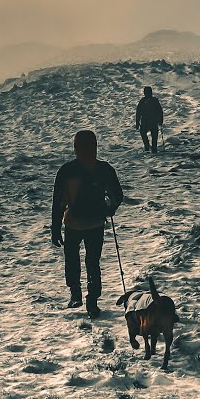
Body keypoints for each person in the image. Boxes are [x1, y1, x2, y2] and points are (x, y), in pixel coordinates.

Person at [51, 130, 124, 318]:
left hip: (73, 223)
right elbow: (117, 195)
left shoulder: (66, 170)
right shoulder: (104, 169)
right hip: (95, 223)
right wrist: (109, 209)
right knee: (93, 262)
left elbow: (58, 202)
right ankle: (92, 300)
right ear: (95, 147)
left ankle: (75, 293)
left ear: (75, 148)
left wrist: (55, 228)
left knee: (72, 259)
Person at [134, 85, 164, 153]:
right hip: (148, 121)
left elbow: (159, 111)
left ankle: (150, 147)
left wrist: (160, 120)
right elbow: (138, 112)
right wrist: (137, 122)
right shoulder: (145, 100)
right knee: (146, 134)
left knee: (152, 136)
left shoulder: (152, 100)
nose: (146, 94)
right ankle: (149, 146)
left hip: (151, 121)